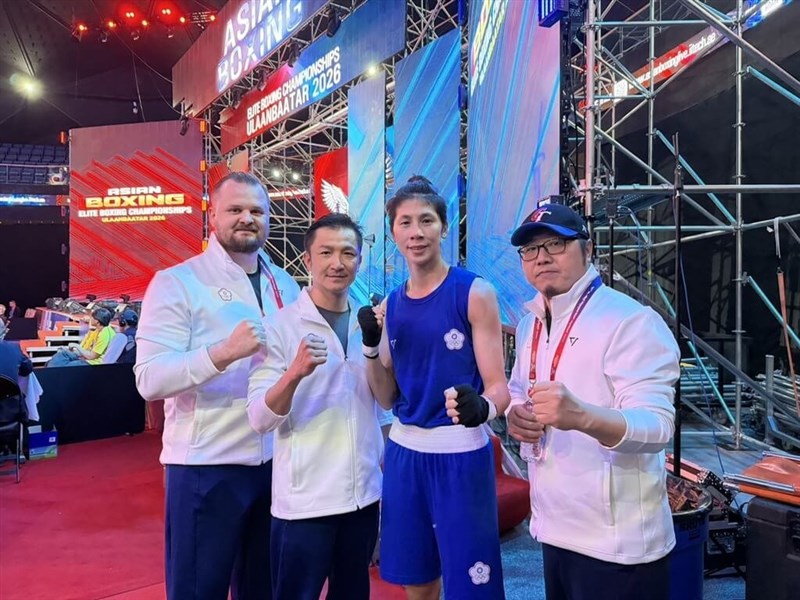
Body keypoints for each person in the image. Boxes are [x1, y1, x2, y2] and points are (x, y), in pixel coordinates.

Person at [134, 171, 300, 600]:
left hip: (275, 464)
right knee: (197, 590)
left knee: (264, 590)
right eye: (236, 210)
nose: (247, 218)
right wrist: (223, 352)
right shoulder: (177, 282)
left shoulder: (284, 283)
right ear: (213, 217)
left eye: (257, 211)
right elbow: (149, 379)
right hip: (205, 467)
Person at [505, 204, 680, 600]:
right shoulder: (531, 323)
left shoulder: (631, 321)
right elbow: (519, 390)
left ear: (589, 249)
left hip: (619, 545)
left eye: (556, 243)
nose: (542, 257)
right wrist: (517, 415)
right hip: (553, 529)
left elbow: (656, 427)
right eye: (530, 250)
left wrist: (582, 417)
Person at [360, 176, 510, 600]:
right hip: (406, 454)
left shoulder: (474, 292)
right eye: (405, 222)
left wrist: (483, 407)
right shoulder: (391, 303)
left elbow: (499, 387)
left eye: (426, 220)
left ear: (444, 227)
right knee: (417, 581)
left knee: (471, 587)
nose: (416, 232)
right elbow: (387, 396)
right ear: (393, 232)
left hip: (460, 454)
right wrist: (372, 348)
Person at [247, 213, 386, 599]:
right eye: (326, 252)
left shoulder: (369, 325)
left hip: (363, 498)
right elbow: (258, 417)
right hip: (305, 503)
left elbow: (384, 405)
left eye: (348, 253)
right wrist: (294, 373)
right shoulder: (279, 326)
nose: (337, 263)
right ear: (307, 259)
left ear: (359, 260)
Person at [46, 307, 115, 367]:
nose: (90, 319)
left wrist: (76, 346)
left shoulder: (105, 335)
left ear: (97, 321)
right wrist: (76, 351)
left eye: (92, 318)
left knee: (65, 366)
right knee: (61, 355)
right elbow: (87, 347)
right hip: (86, 356)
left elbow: (91, 356)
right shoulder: (98, 329)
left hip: (93, 363)